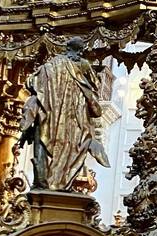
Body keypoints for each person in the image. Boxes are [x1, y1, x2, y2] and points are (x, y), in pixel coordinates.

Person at [21, 37, 109, 190]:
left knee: (58, 144)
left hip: (56, 113)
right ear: (80, 51)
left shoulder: (50, 65)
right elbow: (94, 84)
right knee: (71, 147)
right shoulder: (81, 64)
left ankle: (51, 182)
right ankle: (55, 182)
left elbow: (31, 82)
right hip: (73, 116)